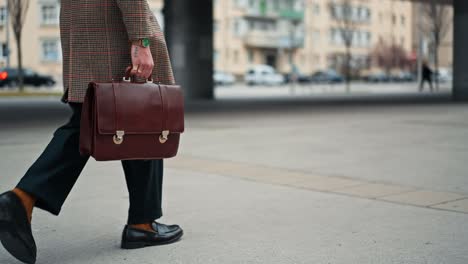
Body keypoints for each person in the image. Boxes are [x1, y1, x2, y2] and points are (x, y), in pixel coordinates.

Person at [0, 1, 182, 263]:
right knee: (138, 118)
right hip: (112, 30)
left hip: (87, 26)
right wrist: (141, 40)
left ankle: (142, 222)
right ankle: (22, 198)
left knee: (127, 121)